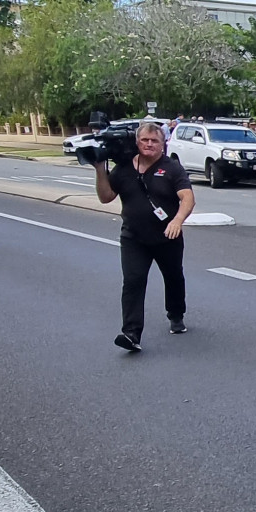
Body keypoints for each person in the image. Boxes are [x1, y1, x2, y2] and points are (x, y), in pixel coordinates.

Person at [93, 119, 194, 351]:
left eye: (154, 141)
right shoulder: (124, 168)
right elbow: (106, 197)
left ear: (163, 143)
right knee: (133, 281)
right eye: (144, 140)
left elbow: (187, 198)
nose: (149, 144)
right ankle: (131, 333)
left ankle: (176, 313)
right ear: (137, 142)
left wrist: (177, 220)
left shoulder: (171, 168)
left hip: (167, 236)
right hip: (133, 237)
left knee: (173, 276)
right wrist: (100, 170)